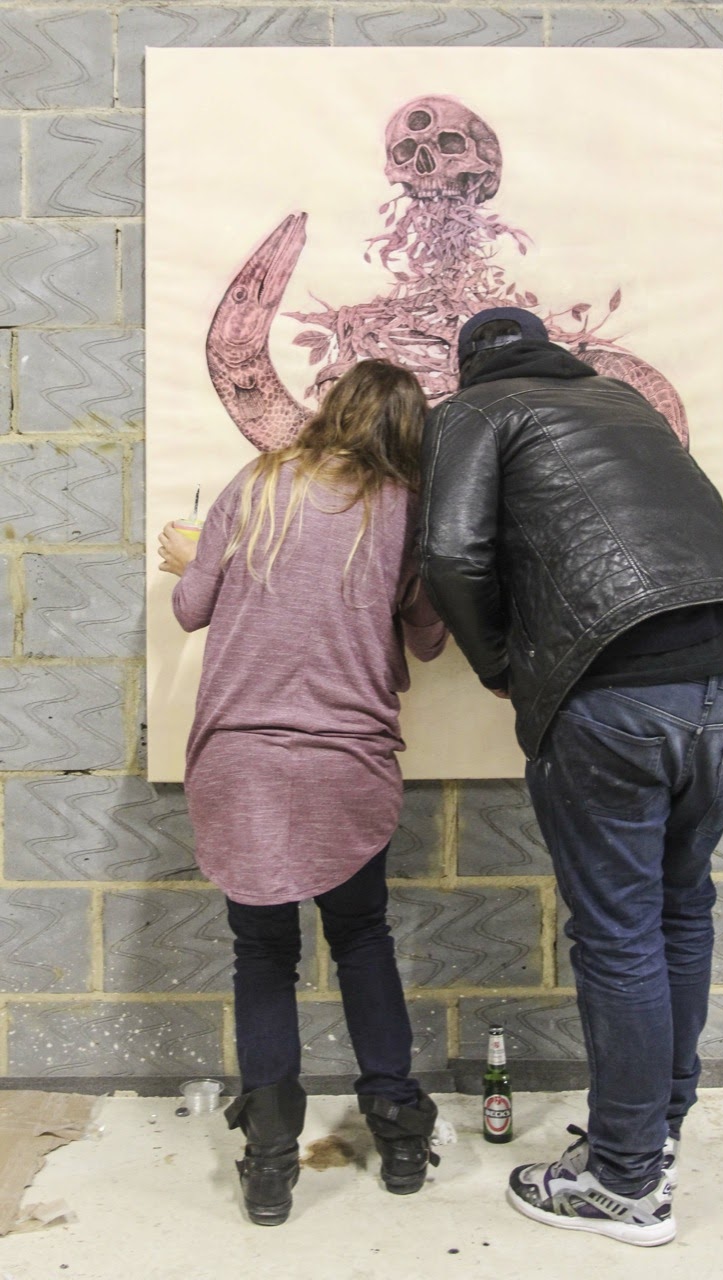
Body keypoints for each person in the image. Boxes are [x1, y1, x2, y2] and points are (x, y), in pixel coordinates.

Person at [419, 307, 723, 1247]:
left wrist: (499, 665)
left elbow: (450, 551)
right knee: (680, 907)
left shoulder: (474, 409)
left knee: (619, 933)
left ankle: (623, 1182)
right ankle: (655, 1135)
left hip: (617, 681)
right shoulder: (624, 402)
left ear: (467, 363)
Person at [158, 359, 447, 1226]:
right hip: (345, 761)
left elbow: (189, 608)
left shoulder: (259, 483)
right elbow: (429, 640)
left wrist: (192, 557)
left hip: (240, 758)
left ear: (332, 408)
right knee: (361, 937)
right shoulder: (405, 509)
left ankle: (271, 1162)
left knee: (261, 954)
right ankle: (399, 1138)